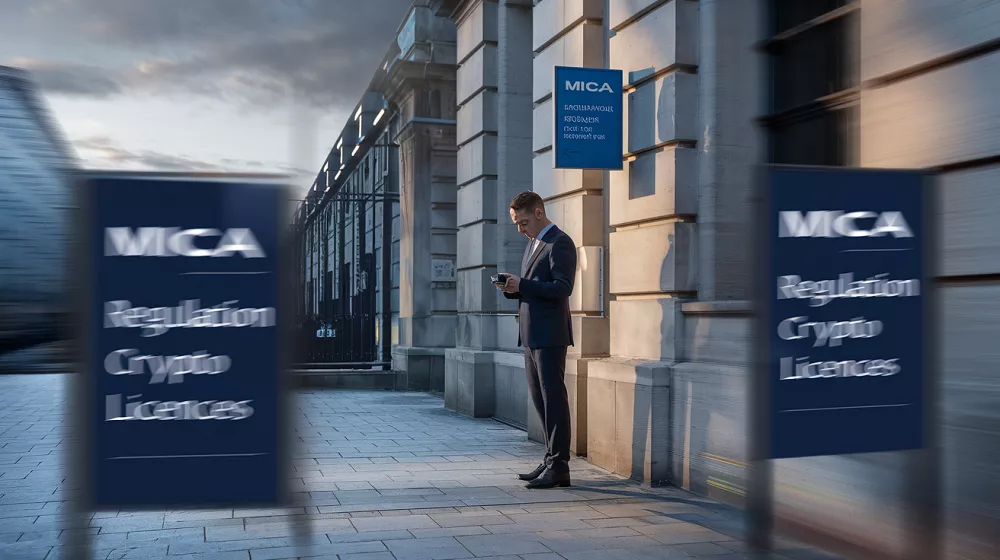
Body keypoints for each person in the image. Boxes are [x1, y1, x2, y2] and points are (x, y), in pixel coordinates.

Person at [498, 191, 577, 489]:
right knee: (540, 400)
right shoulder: (534, 243)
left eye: (523, 222)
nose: (520, 228)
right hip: (531, 336)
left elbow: (562, 288)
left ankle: (560, 467)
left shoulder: (560, 242)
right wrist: (513, 289)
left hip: (550, 336)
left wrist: (525, 284)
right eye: (517, 223)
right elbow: (534, 288)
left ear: (539, 213)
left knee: (554, 399)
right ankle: (549, 460)